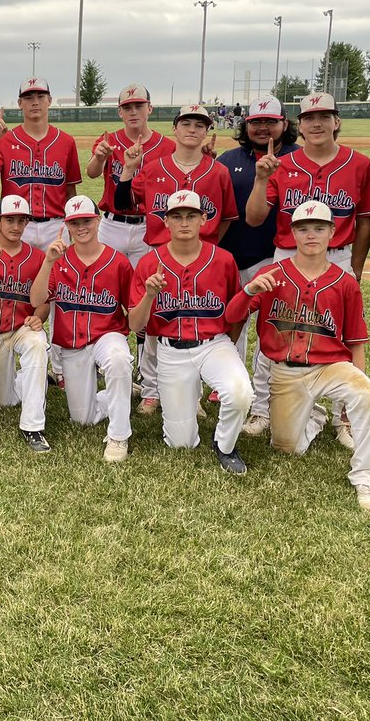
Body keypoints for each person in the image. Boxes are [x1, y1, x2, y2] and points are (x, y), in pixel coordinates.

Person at [225, 200, 370, 510]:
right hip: (285, 372)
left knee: (367, 394)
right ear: (292, 234)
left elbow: (355, 341)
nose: (311, 235)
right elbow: (232, 316)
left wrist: (353, 394)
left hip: (331, 367)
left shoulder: (346, 283)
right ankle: (313, 416)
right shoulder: (272, 274)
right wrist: (249, 291)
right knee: (287, 447)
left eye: (319, 228)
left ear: (332, 233)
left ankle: (367, 478)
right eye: (303, 229)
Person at [121, 103, 237, 416]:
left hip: (202, 257)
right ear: (175, 128)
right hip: (158, 253)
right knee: (153, 326)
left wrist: (209, 245)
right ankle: (150, 390)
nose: (192, 129)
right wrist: (128, 170)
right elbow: (127, 202)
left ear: (207, 131)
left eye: (200, 124)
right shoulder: (155, 168)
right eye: (186, 123)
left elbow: (225, 217)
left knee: (194, 325)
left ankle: (191, 394)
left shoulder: (219, 171)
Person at [128, 190, 250, 474]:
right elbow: (135, 325)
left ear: (203, 220)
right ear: (166, 222)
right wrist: (149, 295)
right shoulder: (149, 264)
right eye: (177, 217)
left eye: (191, 216)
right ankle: (187, 403)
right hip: (170, 350)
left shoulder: (223, 260)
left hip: (213, 344)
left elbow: (236, 314)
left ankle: (225, 445)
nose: (184, 223)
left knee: (240, 391)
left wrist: (227, 346)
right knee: (179, 443)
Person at [216, 97, 300, 434]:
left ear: (284, 124)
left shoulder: (297, 158)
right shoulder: (229, 159)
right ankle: (228, 390)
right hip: (230, 258)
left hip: (273, 258)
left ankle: (262, 404)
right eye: (255, 122)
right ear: (245, 125)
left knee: (270, 333)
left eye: (270, 121)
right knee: (230, 327)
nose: (262, 128)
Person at [31, 196, 134, 463]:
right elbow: (36, 299)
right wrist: (48, 262)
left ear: (98, 221)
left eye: (86, 220)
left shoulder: (119, 262)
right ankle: (119, 392)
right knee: (83, 419)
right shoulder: (58, 260)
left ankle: (119, 436)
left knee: (119, 359)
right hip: (71, 345)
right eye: (75, 223)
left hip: (106, 335)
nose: (81, 227)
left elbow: (131, 309)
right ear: (67, 225)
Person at [245, 92, 370, 280]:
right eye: (308, 118)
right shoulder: (282, 164)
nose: (316, 124)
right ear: (300, 126)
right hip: (288, 255)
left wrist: (356, 268)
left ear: (337, 122)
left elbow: (365, 220)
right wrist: (261, 180)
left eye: (324, 117)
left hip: (337, 257)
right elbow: (254, 219)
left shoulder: (359, 164)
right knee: (285, 310)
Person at [0, 195, 51, 452]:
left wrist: (41, 316)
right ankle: (31, 378)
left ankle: (33, 426)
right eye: (9, 220)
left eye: (21, 221)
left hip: (22, 329)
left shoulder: (37, 257)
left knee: (37, 344)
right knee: (2, 402)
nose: (15, 226)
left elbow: (45, 301)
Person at [0, 77, 81, 251]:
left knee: (57, 277)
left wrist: (72, 225)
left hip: (55, 226)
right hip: (16, 226)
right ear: (20, 103)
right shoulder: (4, 141)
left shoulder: (66, 142)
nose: (35, 102)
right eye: (29, 97)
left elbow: (70, 191)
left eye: (40, 96)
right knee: (15, 277)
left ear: (50, 101)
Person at [86, 83, 173, 266]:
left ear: (149, 108)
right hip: (112, 225)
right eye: (127, 107)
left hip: (147, 225)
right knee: (106, 282)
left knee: (141, 284)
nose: (133, 112)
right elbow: (92, 173)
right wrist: (100, 158)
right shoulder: (108, 140)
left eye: (138, 106)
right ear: (120, 112)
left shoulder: (167, 147)